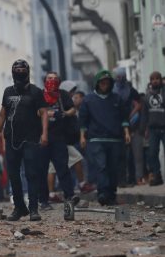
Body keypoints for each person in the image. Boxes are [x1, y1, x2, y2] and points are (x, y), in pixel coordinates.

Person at [0, 60, 48, 221]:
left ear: (28, 71)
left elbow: (44, 113)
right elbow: (2, 115)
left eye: (23, 69)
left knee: (31, 174)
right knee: (14, 175)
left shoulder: (36, 91)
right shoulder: (8, 91)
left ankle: (34, 209)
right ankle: (19, 207)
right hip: (11, 139)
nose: (20, 71)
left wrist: (44, 134)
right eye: (17, 69)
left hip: (31, 139)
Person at [80, 70, 131, 205]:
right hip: (96, 139)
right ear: (97, 83)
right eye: (102, 82)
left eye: (107, 82)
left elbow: (124, 117)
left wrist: (126, 133)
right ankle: (102, 193)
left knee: (113, 168)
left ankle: (111, 194)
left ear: (111, 83)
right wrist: (82, 137)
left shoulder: (116, 99)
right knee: (101, 166)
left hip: (115, 139)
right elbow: (83, 121)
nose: (104, 85)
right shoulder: (88, 100)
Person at [38, 72, 79, 211]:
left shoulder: (63, 94)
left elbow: (72, 108)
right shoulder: (39, 95)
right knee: (42, 170)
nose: (52, 81)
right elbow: (36, 112)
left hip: (59, 137)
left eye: (55, 79)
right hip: (42, 138)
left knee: (63, 168)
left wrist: (65, 113)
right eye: (50, 78)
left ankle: (70, 196)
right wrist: (51, 113)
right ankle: (43, 201)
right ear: (45, 80)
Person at [112, 68, 142, 186]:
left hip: (130, 125)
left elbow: (138, 104)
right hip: (115, 126)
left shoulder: (130, 90)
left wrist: (131, 114)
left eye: (121, 76)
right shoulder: (112, 91)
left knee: (131, 155)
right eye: (118, 77)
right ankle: (120, 179)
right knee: (118, 155)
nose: (120, 79)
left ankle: (133, 179)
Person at [141, 71, 165, 186]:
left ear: (161, 80)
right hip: (152, 129)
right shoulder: (147, 96)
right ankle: (157, 176)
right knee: (152, 153)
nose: (155, 80)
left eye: (157, 78)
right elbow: (144, 114)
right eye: (153, 79)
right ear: (150, 81)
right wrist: (143, 128)